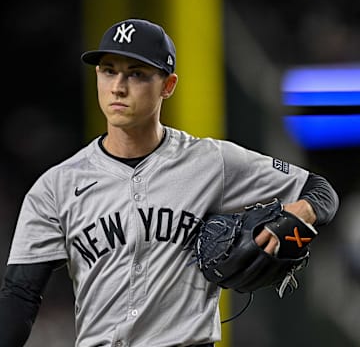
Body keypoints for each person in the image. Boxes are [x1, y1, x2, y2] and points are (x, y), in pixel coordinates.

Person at [0, 18, 339, 347]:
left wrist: (300, 212)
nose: (118, 86)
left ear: (168, 85)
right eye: (108, 71)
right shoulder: (56, 186)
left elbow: (320, 191)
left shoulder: (212, 162)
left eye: (136, 74)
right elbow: (20, 294)